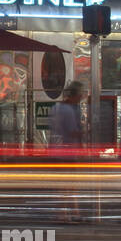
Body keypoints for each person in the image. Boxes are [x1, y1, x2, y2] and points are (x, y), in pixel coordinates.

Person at [49, 81, 85, 222]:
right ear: (75, 95)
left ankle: (72, 213)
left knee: (64, 184)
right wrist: (86, 132)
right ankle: (64, 214)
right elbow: (72, 132)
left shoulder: (55, 108)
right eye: (80, 96)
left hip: (55, 151)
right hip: (68, 152)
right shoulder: (70, 110)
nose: (80, 99)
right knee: (69, 185)